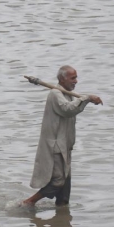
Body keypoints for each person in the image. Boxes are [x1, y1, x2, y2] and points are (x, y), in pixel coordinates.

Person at [22, 65, 103, 206]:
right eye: (73, 78)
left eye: (76, 77)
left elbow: (73, 108)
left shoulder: (67, 94)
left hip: (65, 146)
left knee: (65, 187)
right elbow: (68, 110)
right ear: (62, 79)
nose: (76, 81)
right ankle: (29, 202)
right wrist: (88, 98)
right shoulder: (55, 94)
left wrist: (86, 99)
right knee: (58, 180)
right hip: (56, 147)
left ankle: (62, 218)